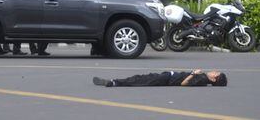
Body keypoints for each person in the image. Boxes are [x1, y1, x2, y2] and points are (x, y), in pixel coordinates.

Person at [93, 69, 227, 87]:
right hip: (167, 76)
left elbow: (184, 84)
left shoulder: (202, 80)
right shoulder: (202, 77)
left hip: (167, 79)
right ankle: (115, 82)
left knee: (140, 80)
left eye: (216, 73)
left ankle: (113, 82)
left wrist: (193, 73)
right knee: (140, 78)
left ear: (214, 79)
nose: (214, 71)